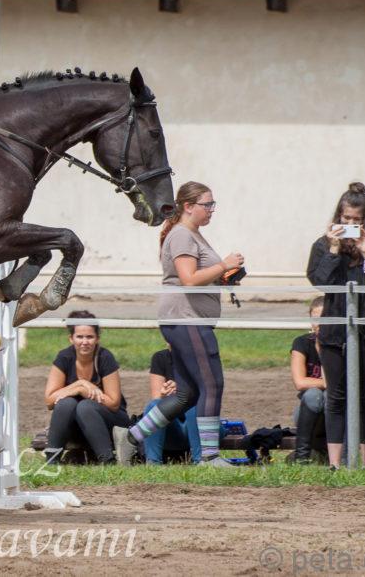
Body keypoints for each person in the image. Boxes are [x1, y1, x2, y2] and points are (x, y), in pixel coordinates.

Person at [120, 181, 244, 467]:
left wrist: (222, 277)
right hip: (187, 320)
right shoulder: (182, 235)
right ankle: (209, 457)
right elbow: (188, 279)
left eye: (212, 204)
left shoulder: (190, 234)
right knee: (212, 384)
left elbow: (196, 276)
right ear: (188, 206)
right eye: (207, 204)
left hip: (188, 319)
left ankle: (131, 437)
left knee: (187, 394)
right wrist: (224, 265)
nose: (212, 209)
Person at [306, 182, 365, 469]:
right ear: (338, 217)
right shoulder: (322, 245)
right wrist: (333, 250)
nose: (351, 225)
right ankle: (334, 463)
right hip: (333, 331)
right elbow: (320, 282)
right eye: (346, 219)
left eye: (357, 220)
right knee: (336, 396)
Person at [44, 311, 129, 465]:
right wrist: (79, 385)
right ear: (71, 338)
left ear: (97, 338)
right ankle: (52, 460)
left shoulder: (105, 357)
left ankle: (107, 460)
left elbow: (114, 403)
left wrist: (84, 391)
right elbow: (49, 401)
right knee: (66, 403)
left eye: (89, 337)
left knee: (85, 406)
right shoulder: (64, 357)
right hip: (77, 425)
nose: (85, 342)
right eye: (80, 337)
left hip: (112, 421)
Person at [141, 348, 201, 465]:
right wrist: (164, 396)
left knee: (195, 408)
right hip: (174, 426)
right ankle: (153, 463)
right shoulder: (161, 357)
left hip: (202, 425)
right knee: (155, 406)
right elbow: (156, 399)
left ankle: (201, 461)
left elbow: (209, 398)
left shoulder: (204, 358)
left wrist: (185, 390)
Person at [289, 296, 327, 464]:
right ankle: (301, 457)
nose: (319, 324)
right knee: (313, 395)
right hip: (309, 410)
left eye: (324, 319)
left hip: (335, 410)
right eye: (315, 319)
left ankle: (340, 457)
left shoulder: (343, 343)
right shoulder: (302, 342)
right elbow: (300, 382)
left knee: (329, 397)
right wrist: (326, 383)